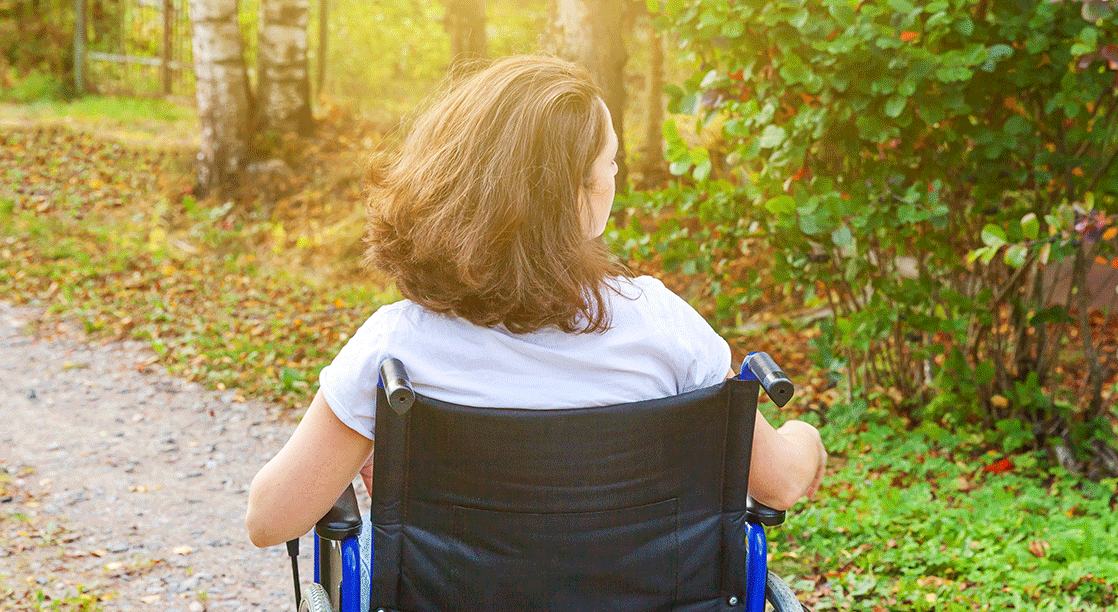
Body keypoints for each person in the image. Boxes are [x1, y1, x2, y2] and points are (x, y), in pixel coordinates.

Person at [246, 55, 825, 567]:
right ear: (574, 193)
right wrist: (805, 441)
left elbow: (270, 518)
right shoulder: (662, 327)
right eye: (610, 163)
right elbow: (778, 483)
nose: (615, 176)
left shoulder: (396, 349)